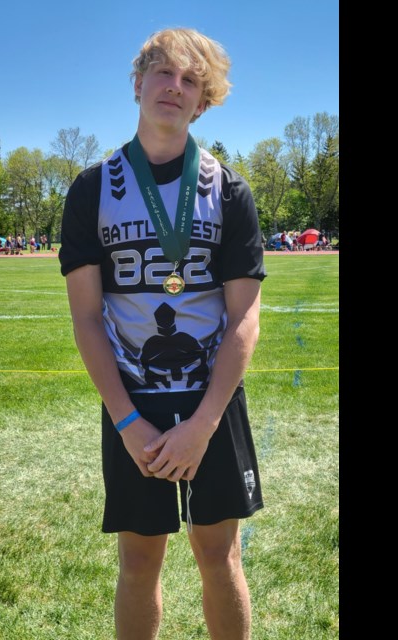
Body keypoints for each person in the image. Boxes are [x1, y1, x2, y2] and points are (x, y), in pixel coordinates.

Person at [59, 27, 265, 640]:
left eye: (191, 80)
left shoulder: (228, 189)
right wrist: (127, 421)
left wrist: (202, 426)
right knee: (138, 562)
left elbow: (244, 318)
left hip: (212, 401)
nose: (174, 87)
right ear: (139, 83)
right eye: (163, 73)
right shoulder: (93, 188)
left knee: (219, 555)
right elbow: (86, 318)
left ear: (204, 100)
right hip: (134, 402)